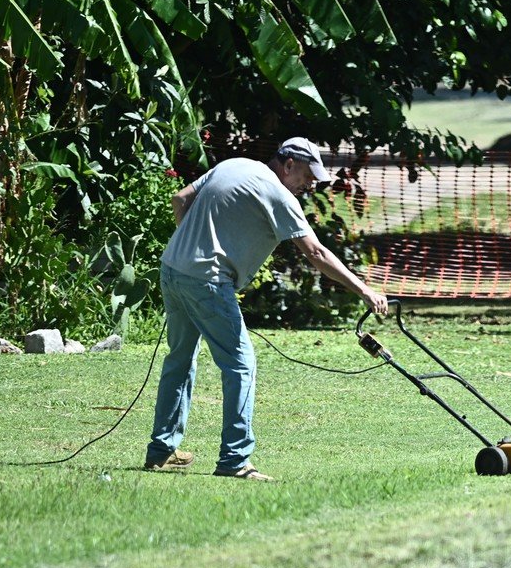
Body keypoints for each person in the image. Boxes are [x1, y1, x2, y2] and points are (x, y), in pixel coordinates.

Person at [145, 137, 389, 480]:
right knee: (240, 365)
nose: (310, 183)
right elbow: (315, 253)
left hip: (173, 270)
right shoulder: (278, 194)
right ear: (288, 164)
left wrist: (191, 248)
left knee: (180, 359)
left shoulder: (234, 165)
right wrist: (363, 289)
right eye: (306, 175)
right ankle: (235, 461)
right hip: (208, 281)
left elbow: (180, 198)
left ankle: (161, 451)